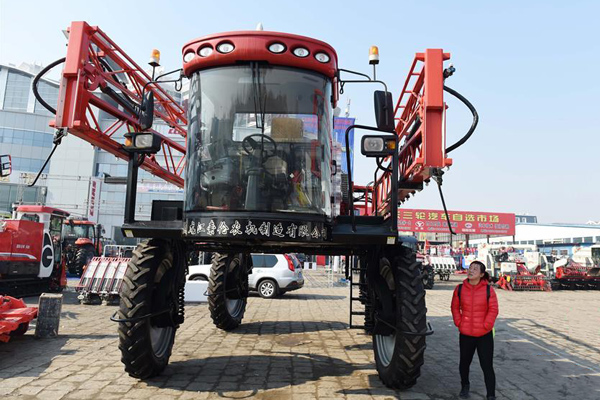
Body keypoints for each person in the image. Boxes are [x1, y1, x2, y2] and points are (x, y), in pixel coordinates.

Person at [451, 261, 499, 400]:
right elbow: (455, 307)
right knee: (464, 363)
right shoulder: (459, 289)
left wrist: (486, 325)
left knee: (487, 366)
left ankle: (491, 395)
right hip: (466, 334)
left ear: (482, 274)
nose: (471, 271)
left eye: (475, 269)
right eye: (470, 268)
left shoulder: (489, 290)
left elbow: (493, 309)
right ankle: (465, 385)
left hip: (484, 335)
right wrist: (459, 322)